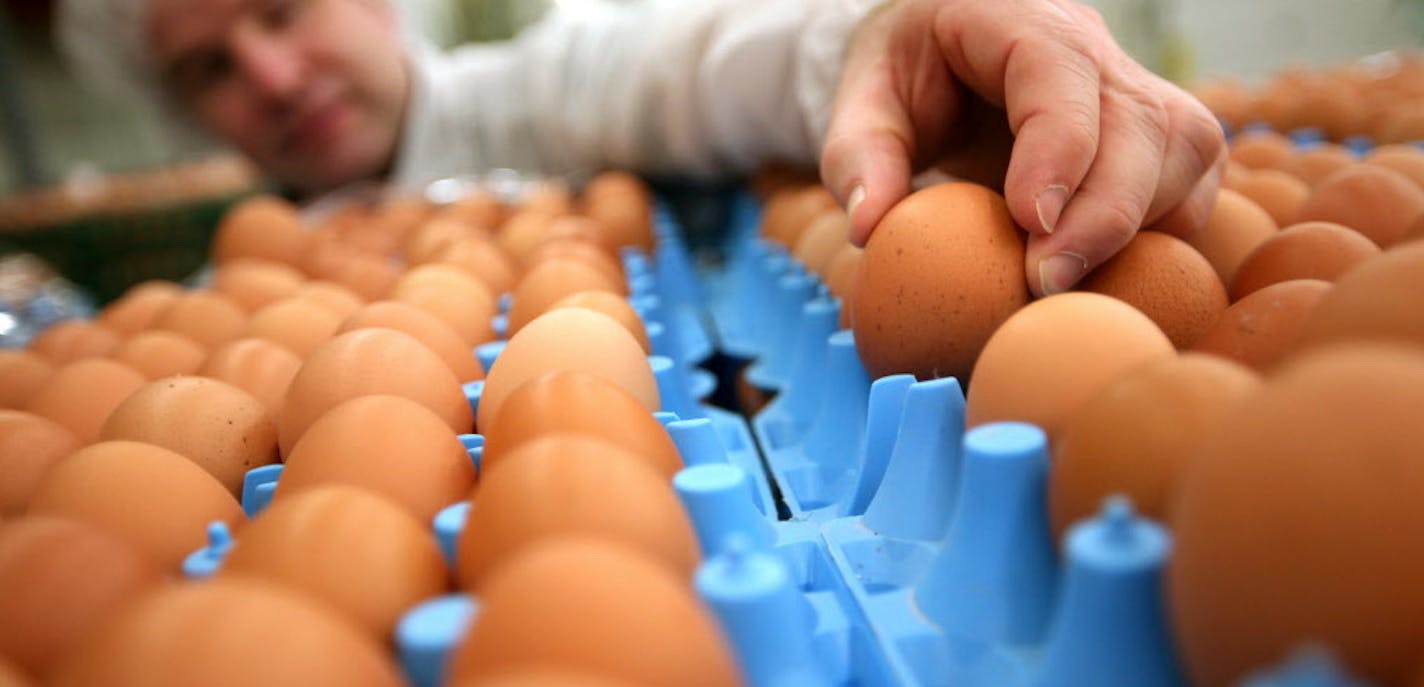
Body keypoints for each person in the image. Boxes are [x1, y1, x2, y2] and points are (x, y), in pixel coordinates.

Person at [57, 0, 1224, 297]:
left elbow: (683, 69)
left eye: (280, 9)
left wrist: (880, 38)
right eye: (206, 67)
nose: (270, 76)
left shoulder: (531, 99)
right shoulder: (248, 277)